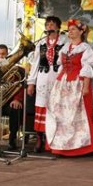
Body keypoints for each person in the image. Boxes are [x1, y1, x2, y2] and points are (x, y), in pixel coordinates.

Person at [46, 19, 93, 156]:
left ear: (81, 32)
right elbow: (61, 67)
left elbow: (87, 68)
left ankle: (80, 147)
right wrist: (57, 85)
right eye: (69, 29)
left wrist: (86, 87)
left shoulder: (85, 48)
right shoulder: (65, 48)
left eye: (73, 29)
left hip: (77, 83)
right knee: (61, 114)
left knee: (76, 115)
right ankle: (60, 146)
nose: (70, 32)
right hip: (62, 84)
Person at [27, 16, 67, 152]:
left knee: (56, 108)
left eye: (52, 24)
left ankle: (54, 139)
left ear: (58, 27)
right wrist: (31, 83)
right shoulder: (40, 43)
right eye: (47, 24)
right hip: (43, 78)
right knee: (41, 107)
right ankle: (39, 139)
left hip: (57, 78)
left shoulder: (64, 42)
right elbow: (35, 64)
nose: (49, 26)